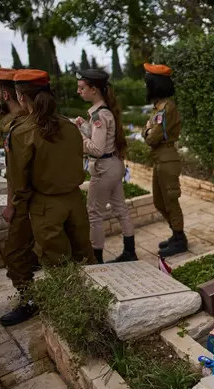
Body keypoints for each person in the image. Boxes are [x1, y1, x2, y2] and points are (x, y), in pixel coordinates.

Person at [3, 69, 95, 326]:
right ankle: (94, 300)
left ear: (21, 98)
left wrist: (20, 208)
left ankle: (75, 316)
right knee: (84, 255)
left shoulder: (22, 132)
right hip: (75, 200)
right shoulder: (68, 126)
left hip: (45, 204)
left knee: (58, 262)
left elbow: (19, 180)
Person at [75, 69, 136, 264]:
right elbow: (103, 138)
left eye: (82, 88)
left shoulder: (99, 115)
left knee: (94, 214)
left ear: (94, 90)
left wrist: (81, 136)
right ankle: (130, 251)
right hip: (114, 165)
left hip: (103, 168)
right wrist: (84, 126)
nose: (79, 91)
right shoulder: (104, 111)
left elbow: (97, 149)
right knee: (120, 209)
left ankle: (97, 258)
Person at [0, 70, 40, 301]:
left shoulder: (19, 127)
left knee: (13, 254)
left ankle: (29, 299)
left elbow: (16, 173)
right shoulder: (30, 121)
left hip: (26, 200)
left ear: (6, 94)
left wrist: (11, 205)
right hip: (36, 198)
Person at [142, 63, 187, 257]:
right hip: (159, 158)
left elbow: (152, 137)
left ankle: (180, 238)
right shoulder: (158, 107)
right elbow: (148, 133)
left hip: (167, 158)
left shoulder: (166, 107)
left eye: (148, 83)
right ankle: (176, 233)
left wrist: (148, 130)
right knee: (159, 201)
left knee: (170, 201)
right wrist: (148, 131)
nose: (146, 87)